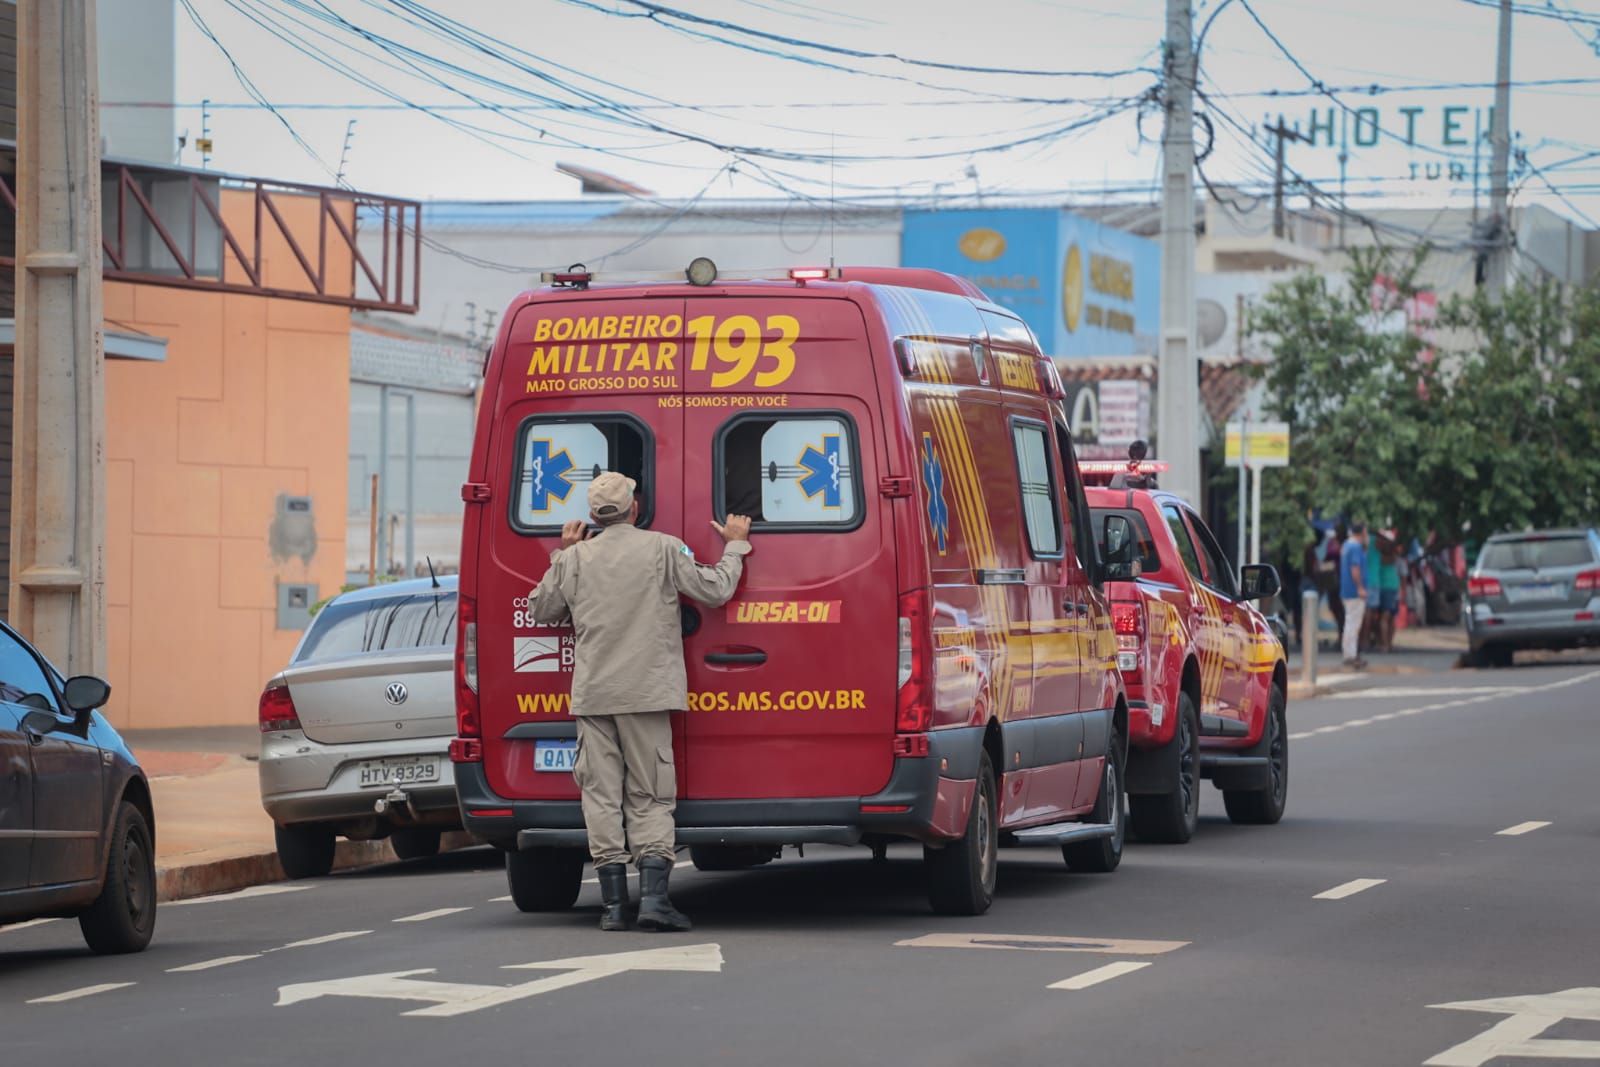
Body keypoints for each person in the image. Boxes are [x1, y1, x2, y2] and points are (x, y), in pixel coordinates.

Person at [524, 471, 753, 933]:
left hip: (594, 697)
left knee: (601, 797)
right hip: (646, 693)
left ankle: (612, 907)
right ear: (635, 507)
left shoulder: (575, 558)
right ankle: (654, 901)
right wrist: (735, 546)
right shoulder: (663, 548)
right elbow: (715, 590)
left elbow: (541, 610)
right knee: (649, 796)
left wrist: (564, 556)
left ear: (592, 517)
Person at [1339, 521, 1369, 669]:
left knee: (1350, 622)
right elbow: (1355, 568)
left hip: (1346, 590)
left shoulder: (1346, 545)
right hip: (1354, 591)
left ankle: (1350, 653)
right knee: (1353, 624)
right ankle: (1350, 655)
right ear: (1362, 532)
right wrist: (1360, 588)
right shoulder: (1356, 547)